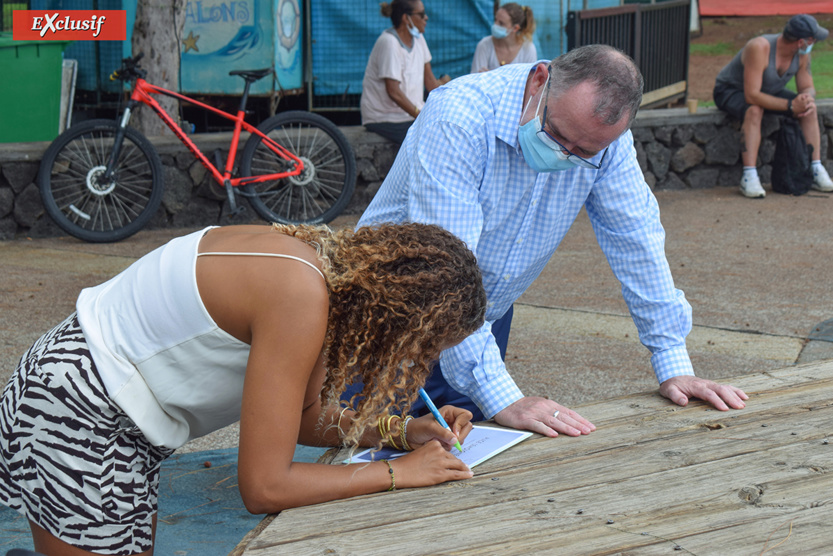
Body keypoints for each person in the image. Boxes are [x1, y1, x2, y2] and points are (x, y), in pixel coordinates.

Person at [0, 222, 486, 555]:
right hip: (76, 412)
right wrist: (400, 473)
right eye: (423, 348)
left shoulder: (318, 270)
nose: (418, 362)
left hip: (91, 397)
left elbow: (303, 415)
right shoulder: (300, 298)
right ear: (399, 320)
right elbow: (264, 486)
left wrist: (398, 431)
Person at [357, 44, 749, 440]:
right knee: (358, 455)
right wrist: (504, 395)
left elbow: (636, 237)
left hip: (479, 317)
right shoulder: (459, 116)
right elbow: (441, 268)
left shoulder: (607, 143)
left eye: (583, 152)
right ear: (540, 80)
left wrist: (672, 360)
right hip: (383, 317)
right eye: (557, 134)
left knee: (457, 455)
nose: (564, 155)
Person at [713, 13, 833, 198]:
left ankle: (815, 167)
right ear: (801, 42)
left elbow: (807, 86)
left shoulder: (802, 55)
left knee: (810, 109)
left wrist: (806, 98)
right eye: (812, 39)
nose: (814, 43)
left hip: (767, 90)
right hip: (730, 91)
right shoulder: (759, 47)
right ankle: (749, 175)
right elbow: (752, 95)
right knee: (754, 110)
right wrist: (790, 105)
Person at [360, 0, 451, 146]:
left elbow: (431, 84)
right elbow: (393, 92)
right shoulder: (389, 43)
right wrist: (420, 116)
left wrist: (450, 94)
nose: (426, 18)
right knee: (433, 141)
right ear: (405, 18)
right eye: (421, 14)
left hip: (409, 116)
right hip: (385, 119)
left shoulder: (419, 39)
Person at [471, 2, 537, 73]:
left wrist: (492, 77)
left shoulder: (528, 48)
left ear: (515, 28)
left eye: (501, 23)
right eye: (495, 20)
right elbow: (475, 79)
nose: (495, 25)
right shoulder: (484, 45)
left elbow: (529, 80)